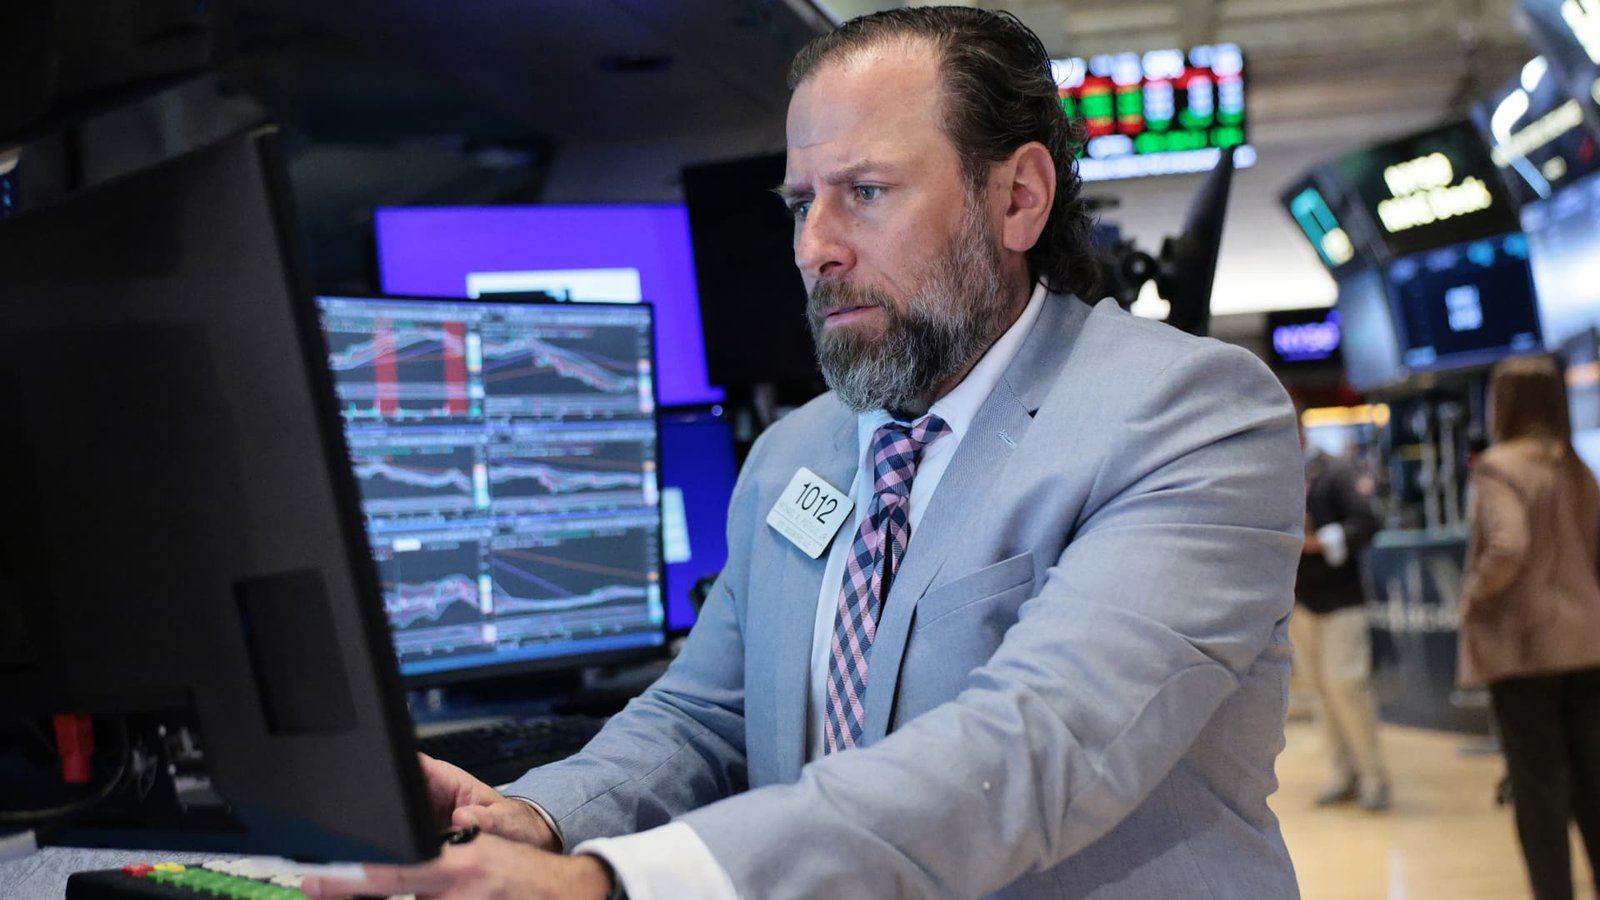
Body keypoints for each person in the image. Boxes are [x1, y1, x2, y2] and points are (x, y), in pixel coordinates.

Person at [304, 8, 1305, 899]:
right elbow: (706, 716)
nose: (813, 246)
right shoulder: (796, 453)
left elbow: (1036, 749)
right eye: (799, 203)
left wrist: (617, 880)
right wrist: (539, 817)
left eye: (865, 191)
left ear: (1017, 198)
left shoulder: (1185, 416)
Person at [1459, 355, 1600, 900]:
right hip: (1588, 645)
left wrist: (1474, 593)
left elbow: (1508, 545)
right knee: (1593, 784)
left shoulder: (1499, 467)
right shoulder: (1576, 467)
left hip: (1526, 651)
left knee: (1539, 793)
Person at [1290, 412, 1390, 811]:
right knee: (1319, 691)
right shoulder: (1273, 474)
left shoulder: (1332, 471)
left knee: (1345, 687)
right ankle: (1342, 773)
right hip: (1300, 602)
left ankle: (1373, 777)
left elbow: (1366, 522)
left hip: (1341, 600)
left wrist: (1320, 542)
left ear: (1300, 428)